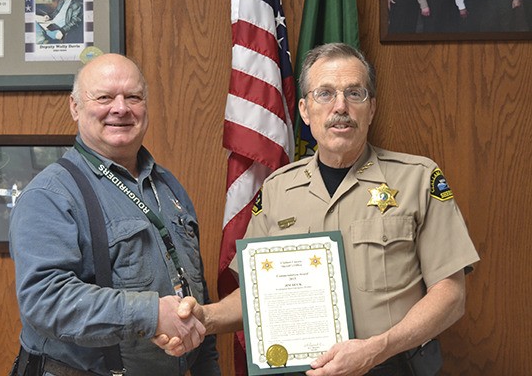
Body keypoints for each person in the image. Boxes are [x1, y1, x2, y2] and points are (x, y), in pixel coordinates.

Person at [155, 43, 480, 376]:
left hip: (393, 367)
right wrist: (205, 319)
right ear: (305, 111)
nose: (340, 106)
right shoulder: (277, 190)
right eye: (324, 94)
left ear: (371, 110)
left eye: (355, 94)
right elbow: (257, 295)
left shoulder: (418, 179)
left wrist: (375, 350)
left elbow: (451, 295)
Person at [9, 53, 220, 375]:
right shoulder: (50, 194)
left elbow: (193, 289)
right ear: (75, 107)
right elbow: (44, 300)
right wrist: (150, 313)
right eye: (104, 97)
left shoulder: (168, 186)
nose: (120, 108)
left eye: (133, 97)